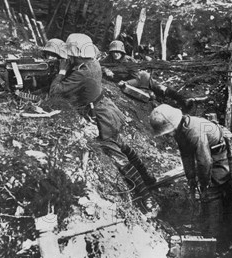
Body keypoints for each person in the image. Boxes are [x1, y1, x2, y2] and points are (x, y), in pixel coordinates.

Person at [49, 33, 159, 216]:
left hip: (100, 116)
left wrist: (61, 72)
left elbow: (55, 92)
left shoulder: (83, 72)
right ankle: (149, 179)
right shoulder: (92, 63)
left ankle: (149, 201)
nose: (68, 58)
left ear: (76, 55)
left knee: (117, 156)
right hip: (106, 108)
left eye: (70, 56)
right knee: (122, 144)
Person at [149, 104, 232, 244]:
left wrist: (204, 183)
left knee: (212, 192)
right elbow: (186, 154)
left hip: (219, 153)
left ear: (173, 125)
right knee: (204, 191)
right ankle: (204, 222)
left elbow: (204, 161)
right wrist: (191, 178)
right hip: (207, 152)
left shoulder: (194, 132)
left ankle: (214, 235)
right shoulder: (180, 131)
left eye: (167, 132)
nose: (168, 135)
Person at [101, 40, 202, 109]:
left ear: (122, 52)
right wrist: (105, 69)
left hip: (142, 78)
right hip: (131, 83)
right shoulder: (108, 59)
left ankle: (183, 100)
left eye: (117, 52)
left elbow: (137, 78)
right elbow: (99, 64)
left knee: (161, 89)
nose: (115, 54)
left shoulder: (129, 61)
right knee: (151, 96)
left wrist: (126, 83)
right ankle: (159, 99)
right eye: (113, 52)